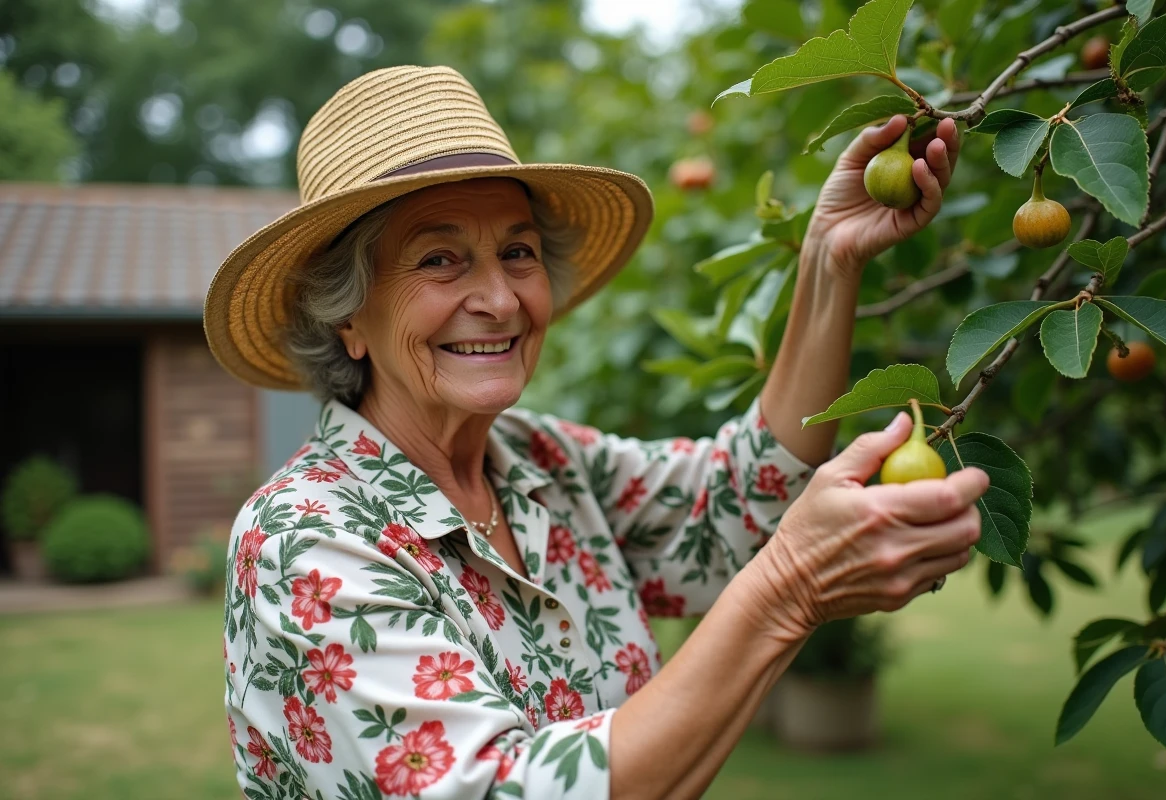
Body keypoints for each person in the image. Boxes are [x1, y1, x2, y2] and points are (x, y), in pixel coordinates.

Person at [207, 65, 987, 800]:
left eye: (517, 252)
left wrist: (827, 257)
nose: (501, 299)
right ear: (347, 316)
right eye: (440, 260)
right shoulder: (302, 539)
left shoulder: (543, 463)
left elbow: (742, 499)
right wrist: (789, 590)